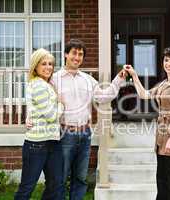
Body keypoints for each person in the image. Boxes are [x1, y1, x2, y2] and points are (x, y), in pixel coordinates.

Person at [27, 39, 127, 200]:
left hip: (85, 134)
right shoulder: (54, 79)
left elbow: (104, 96)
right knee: (59, 179)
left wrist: (119, 79)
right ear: (66, 54)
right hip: (64, 134)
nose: (77, 57)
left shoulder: (87, 79)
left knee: (80, 179)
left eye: (80, 54)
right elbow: (36, 97)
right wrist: (29, 115)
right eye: (74, 53)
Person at [124, 46, 170, 200]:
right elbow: (144, 94)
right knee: (162, 179)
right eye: (166, 60)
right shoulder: (163, 83)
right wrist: (134, 75)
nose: (168, 63)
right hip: (161, 134)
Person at [15, 48, 64, 200]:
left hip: (52, 142)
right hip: (37, 144)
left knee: (55, 183)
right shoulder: (38, 85)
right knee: (27, 186)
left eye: (50, 64)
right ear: (35, 66)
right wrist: (61, 105)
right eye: (44, 64)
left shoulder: (45, 84)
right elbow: (51, 115)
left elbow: (33, 109)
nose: (48, 67)